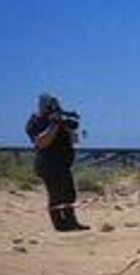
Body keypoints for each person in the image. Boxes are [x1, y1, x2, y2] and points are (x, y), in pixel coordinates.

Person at [25, 94, 87, 231]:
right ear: (42, 106)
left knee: (69, 194)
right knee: (56, 195)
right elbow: (42, 142)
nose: (55, 108)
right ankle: (59, 224)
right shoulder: (34, 122)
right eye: (51, 105)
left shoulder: (60, 121)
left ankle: (71, 222)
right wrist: (54, 124)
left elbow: (75, 140)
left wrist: (65, 125)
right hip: (48, 164)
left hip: (64, 164)